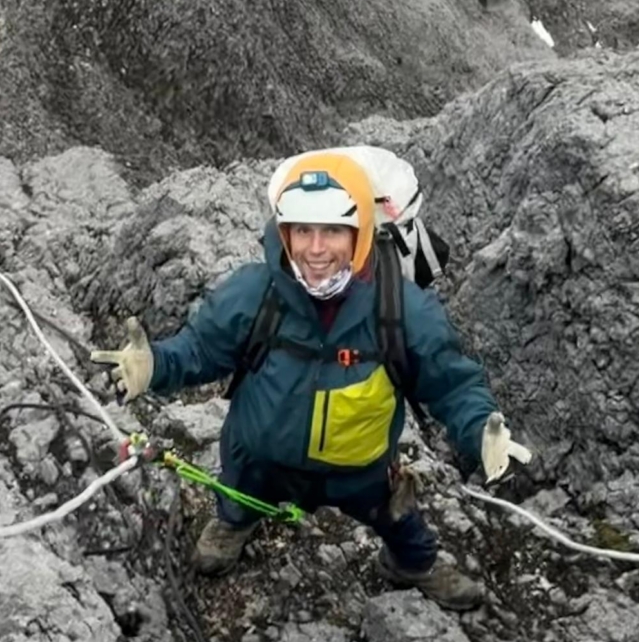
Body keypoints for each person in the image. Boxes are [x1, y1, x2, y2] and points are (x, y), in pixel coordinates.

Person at [91, 152, 531, 610]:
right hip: (258, 457)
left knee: (397, 517)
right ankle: (235, 522)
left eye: (334, 231)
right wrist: (154, 366)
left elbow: (452, 385)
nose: (315, 249)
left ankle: (412, 563)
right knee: (240, 491)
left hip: (359, 471)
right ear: (285, 233)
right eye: (302, 230)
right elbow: (201, 350)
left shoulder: (402, 311)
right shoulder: (254, 293)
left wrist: (481, 430)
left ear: (360, 234)